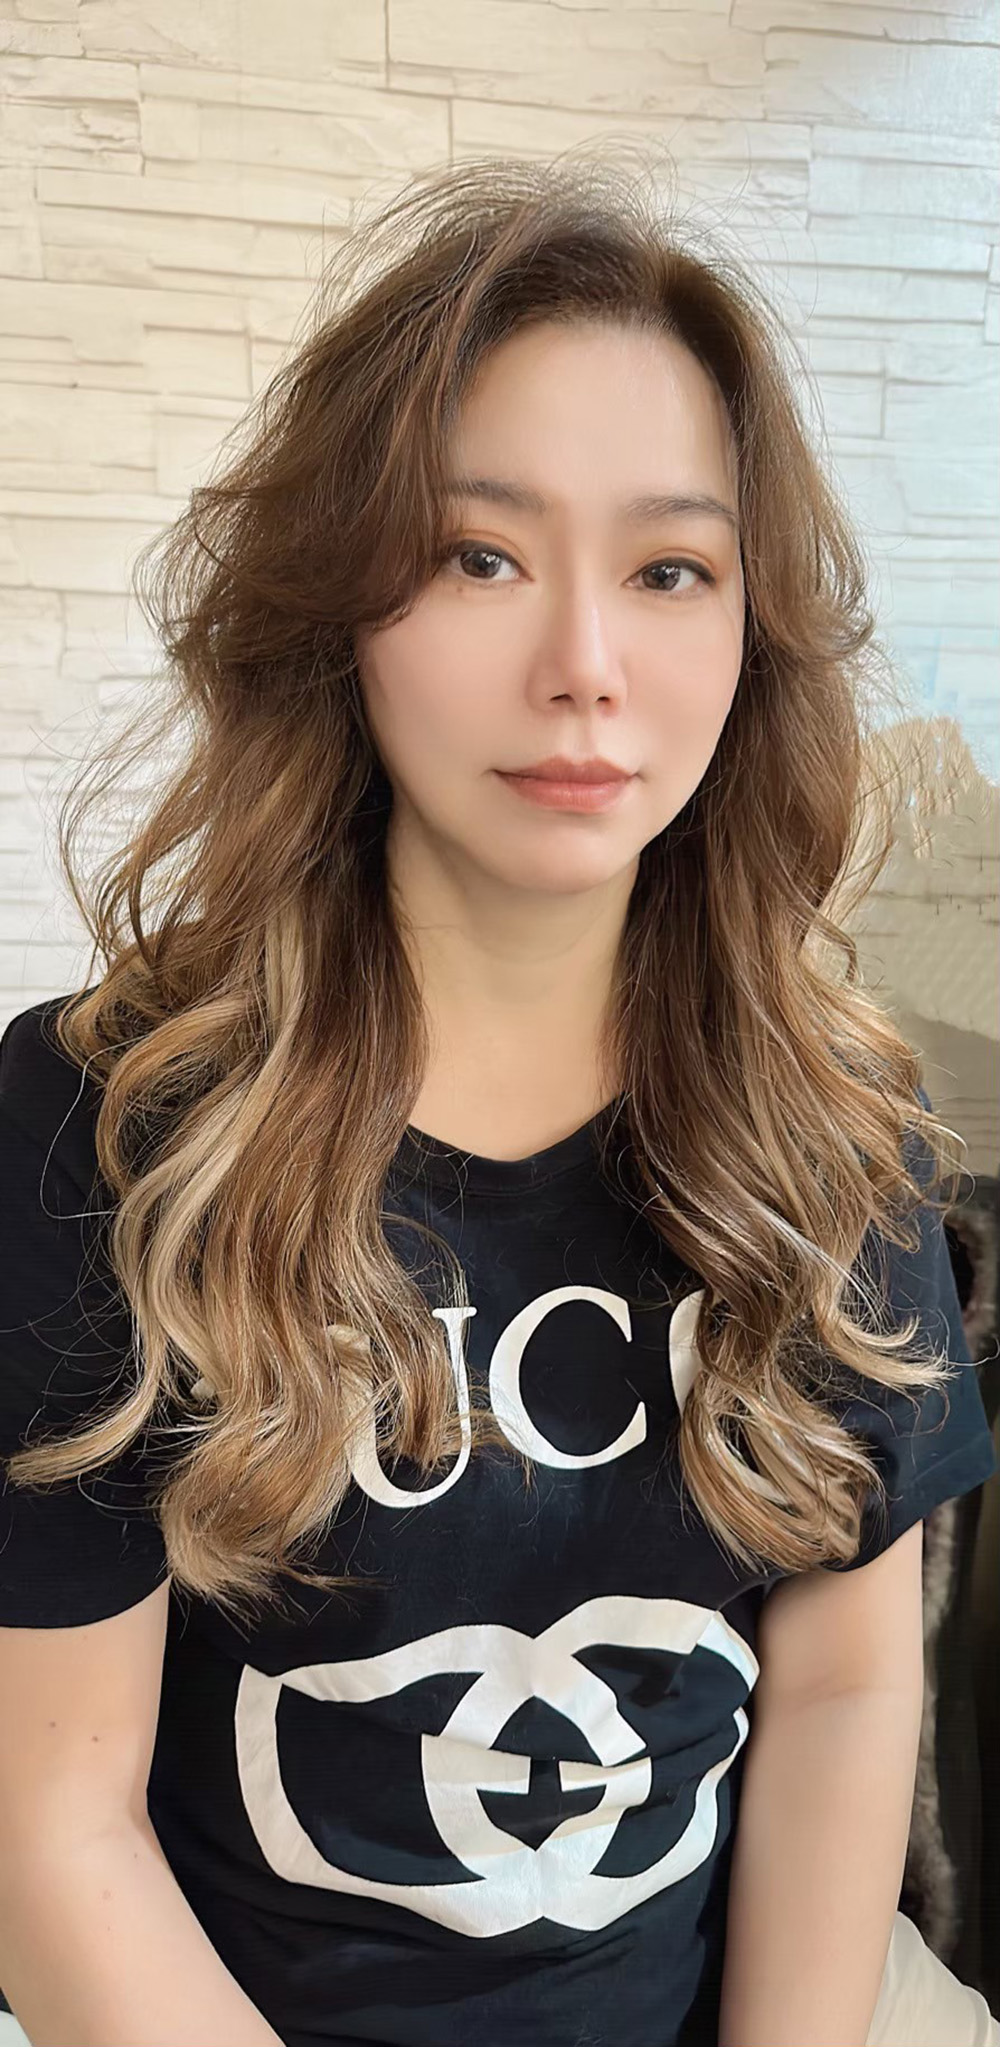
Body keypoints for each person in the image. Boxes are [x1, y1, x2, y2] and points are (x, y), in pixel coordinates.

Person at [0, 149, 997, 2047]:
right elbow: (53, 1827)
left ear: (751, 633)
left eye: (670, 569)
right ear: (339, 607)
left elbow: (848, 1690)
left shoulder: (836, 1135)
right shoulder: (103, 1128)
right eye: (481, 556)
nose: (584, 669)